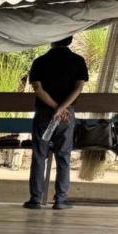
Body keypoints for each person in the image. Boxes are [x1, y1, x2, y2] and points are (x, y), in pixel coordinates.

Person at [25, 37, 89, 211]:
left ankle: (35, 200)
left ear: (52, 40)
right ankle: (60, 200)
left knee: (39, 156)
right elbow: (78, 88)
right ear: (70, 40)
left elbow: (38, 89)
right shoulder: (78, 61)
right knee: (63, 156)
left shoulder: (40, 61)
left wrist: (55, 107)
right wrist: (63, 108)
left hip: (44, 114)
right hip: (66, 116)